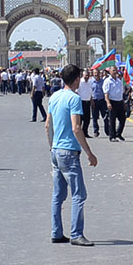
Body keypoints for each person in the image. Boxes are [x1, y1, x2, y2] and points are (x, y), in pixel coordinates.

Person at [47, 63, 96, 246]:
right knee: (79, 194)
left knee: (58, 195)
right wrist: (89, 153)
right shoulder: (74, 99)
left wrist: (52, 146)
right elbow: (77, 128)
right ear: (77, 79)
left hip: (56, 150)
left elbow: (47, 126)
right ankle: (76, 233)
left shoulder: (54, 96)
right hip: (68, 151)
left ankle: (56, 231)